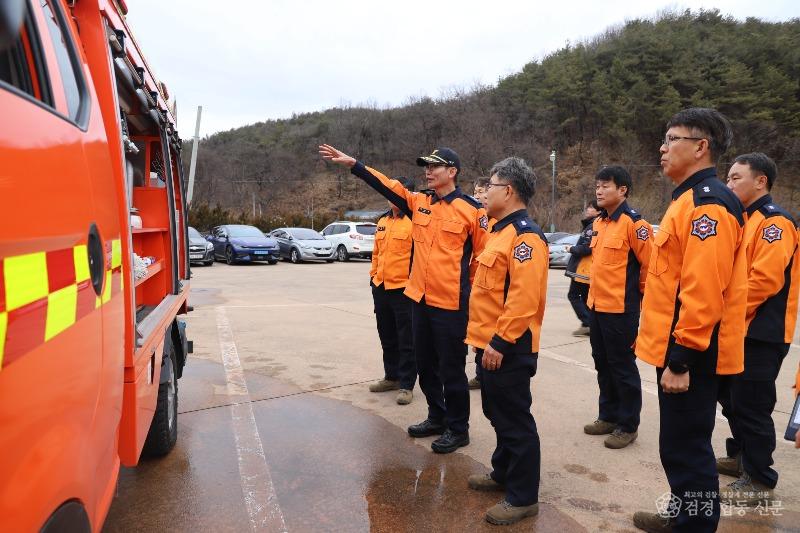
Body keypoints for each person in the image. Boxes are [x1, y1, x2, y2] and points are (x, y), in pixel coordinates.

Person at [319, 144, 488, 454]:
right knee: (425, 364)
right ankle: (436, 416)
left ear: (452, 171)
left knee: (451, 369)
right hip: (419, 300)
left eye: (435, 166)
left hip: (451, 304)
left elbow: (482, 259)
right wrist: (356, 165)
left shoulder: (472, 210)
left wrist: (472, 301)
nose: (428, 171)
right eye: (426, 166)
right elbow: (388, 185)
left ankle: (458, 428)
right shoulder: (419, 203)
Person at [633, 108, 747, 533]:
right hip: (681, 345)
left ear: (701, 147)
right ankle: (682, 515)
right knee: (677, 446)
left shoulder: (707, 205)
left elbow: (703, 291)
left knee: (688, 449)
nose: (662, 148)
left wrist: (681, 359)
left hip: (693, 351)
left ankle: (694, 525)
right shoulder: (687, 200)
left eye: (671, 139)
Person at [463, 157, 547, 526]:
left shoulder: (525, 237)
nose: (484, 193)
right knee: (497, 414)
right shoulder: (498, 232)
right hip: (490, 344)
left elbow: (524, 300)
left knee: (515, 421)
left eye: (491, 186)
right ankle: (503, 472)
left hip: (509, 347)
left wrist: (499, 342)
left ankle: (523, 497)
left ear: (508, 191)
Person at [717, 152, 799, 504]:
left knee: (752, 404)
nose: (729, 184)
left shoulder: (775, 223)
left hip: (762, 332)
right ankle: (740, 457)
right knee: (730, 398)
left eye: (736, 178)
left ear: (761, 181)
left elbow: (763, 281)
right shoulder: (743, 220)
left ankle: (760, 479)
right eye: (728, 178)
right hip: (738, 328)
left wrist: (723, 310)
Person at [584, 167, 651, 450]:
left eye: (605, 186)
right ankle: (608, 415)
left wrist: (640, 302)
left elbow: (650, 267)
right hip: (597, 306)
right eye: (597, 186)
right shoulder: (599, 223)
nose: (599, 191)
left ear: (622, 190)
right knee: (602, 363)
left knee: (622, 367)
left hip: (621, 310)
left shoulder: (635, 225)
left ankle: (627, 425)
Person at [368, 177, 418, 405]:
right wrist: (373, 278)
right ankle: (391, 377)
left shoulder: (415, 221)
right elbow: (376, 253)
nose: (392, 198)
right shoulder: (383, 221)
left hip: (403, 290)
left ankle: (406, 385)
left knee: (406, 339)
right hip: (381, 287)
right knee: (386, 335)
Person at [468, 176, 492, 390]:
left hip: (491, 286)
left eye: (481, 191)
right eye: (475, 191)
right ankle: (479, 373)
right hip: (475, 283)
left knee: (489, 332)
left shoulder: (496, 221)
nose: (477, 196)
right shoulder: (475, 217)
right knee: (478, 333)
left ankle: (487, 374)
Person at [565, 201, 600, 336]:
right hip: (586, 268)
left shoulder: (593, 225)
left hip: (584, 269)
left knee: (573, 295)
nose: (587, 209)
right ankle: (589, 324)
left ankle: (588, 323)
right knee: (586, 298)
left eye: (591, 207)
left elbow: (587, 247)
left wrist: (572, 249)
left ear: (598, 211)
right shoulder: (595, 224)